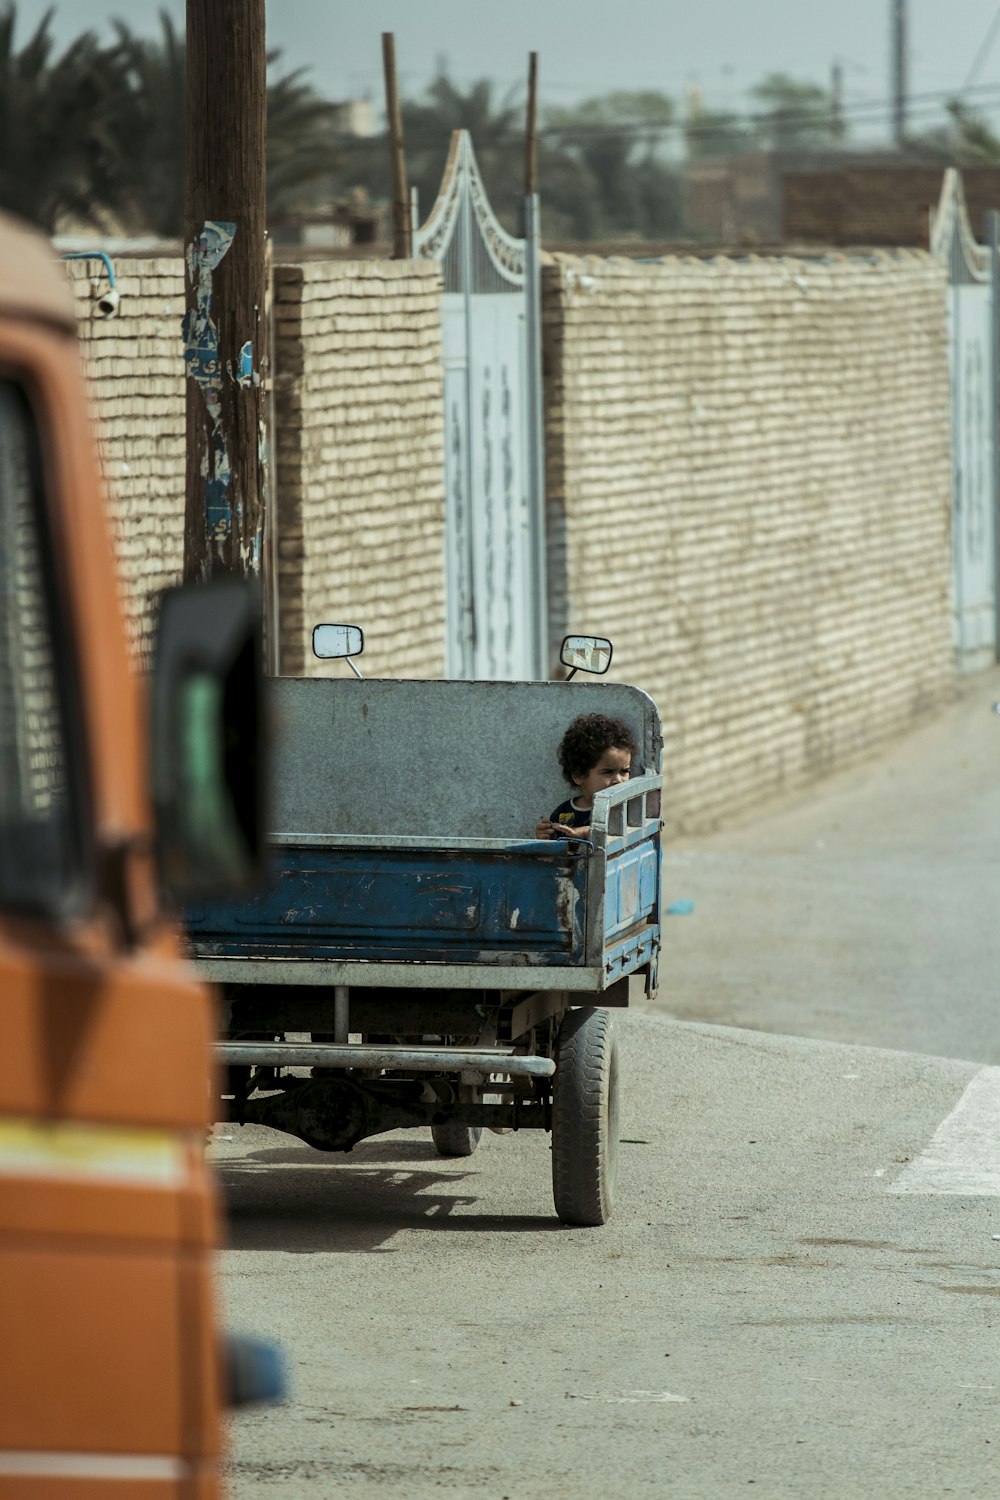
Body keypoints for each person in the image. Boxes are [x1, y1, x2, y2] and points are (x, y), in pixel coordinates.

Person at [535, 712, 638, 841]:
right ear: (579, 775)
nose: (618, 780)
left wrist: (588, 832)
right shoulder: (564, 813)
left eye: (624, 771)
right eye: (607, 772)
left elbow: (625, 837)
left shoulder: (627, 809)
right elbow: (556, 854)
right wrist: (546, 837)